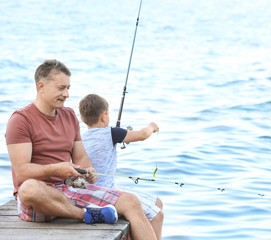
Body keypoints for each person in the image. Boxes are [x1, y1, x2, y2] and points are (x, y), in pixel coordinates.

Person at [5, 59, 158, 240]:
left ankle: (85, 212)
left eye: (68, 88)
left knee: (131, 201)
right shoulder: (20, 120)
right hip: (40, 199)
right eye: (61, 88)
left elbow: (82, 158)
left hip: (70, 190)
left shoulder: (69, 115)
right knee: (28, 188)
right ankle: (85, 215)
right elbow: (22, 172)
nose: (67, 94)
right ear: (41, 87)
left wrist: (88, 171)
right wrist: (57, 168)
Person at [79, 94, 164, 240]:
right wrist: (152, 127)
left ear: (82, 118)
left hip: (90, 193)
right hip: (106, 192)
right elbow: (143, 135)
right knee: (157, 214)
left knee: (157, 202)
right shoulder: (112, 132)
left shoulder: (80, 139)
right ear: (104, 116)